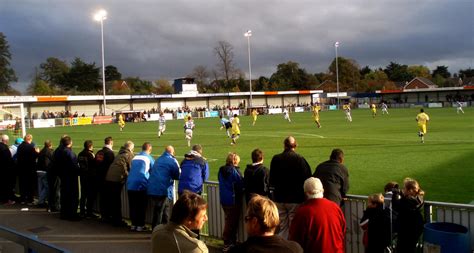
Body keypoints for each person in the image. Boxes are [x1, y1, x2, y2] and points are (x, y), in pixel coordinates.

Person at [269, 136, 312, 239]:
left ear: (284, 145)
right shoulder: (300, 159)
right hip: (295, 199)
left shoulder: (276, 159)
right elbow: (308, 178)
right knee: (294, 226)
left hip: (279, 198)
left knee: (283, 226)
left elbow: (271, 179)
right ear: (295, 145)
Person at [289, 177, 346, 253]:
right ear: (322, 190)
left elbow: (295, 239)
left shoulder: (302, 212)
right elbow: (343, 230)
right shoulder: (335, 207)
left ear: (306, 193)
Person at [229, 195, 303, 253]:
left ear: (254, 222)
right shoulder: (294, 249)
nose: (245, 222)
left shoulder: (237, 251)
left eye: (247, 218)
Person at [148, 145, 180, 230]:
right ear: (172, 152)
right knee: (159, 210)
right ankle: (156, 230)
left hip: (152, 187)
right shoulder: (172, 160)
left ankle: (165, 229)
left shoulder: (158, 159)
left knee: (164, 208)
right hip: (162, 188)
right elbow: (177, 175)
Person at [103, 141, 135, 226]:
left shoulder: (119, 153)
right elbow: (132, 168)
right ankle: (117, 220)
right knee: (116, 200)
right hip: (116, 179)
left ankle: (109, 217)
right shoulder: (128, 155)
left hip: (109, 177)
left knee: (111, 199)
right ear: (131, 148)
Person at [218, 152, 244, 252]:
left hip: (224, 199)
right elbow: (240, 183)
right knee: (231, 222)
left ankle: (231, 242)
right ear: (235, 161)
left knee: (230, 221)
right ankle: (227, 242)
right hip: (233, 200)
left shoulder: (221, 170)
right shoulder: (234, 171)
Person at [127, 142, 154, 231]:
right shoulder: (148, 158)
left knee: (133, 205)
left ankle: (133, 224)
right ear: (149, 149)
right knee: (141, 205)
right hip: (140, 184)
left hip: (130, 183)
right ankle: (140, 225)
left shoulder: (135, 157)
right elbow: (153, 171)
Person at [394, 178, 425, 253]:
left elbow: (396, 206)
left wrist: (395, 194)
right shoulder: (419, 198)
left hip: (407, 228)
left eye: (404, 188)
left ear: (410, 190)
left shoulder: (408, 201)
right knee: (410, 248)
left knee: (403, 249)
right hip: (415, 227)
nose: (403, 189)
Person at [54, 136, 81, 221]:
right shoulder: (69, 153)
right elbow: (74, 166)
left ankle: (64, 213)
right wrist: (79, 171)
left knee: (64, 195)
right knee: (72, 196)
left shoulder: (58, 151)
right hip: (70, 176)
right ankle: (72, 214)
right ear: (69, 143)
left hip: (63, 176)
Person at [96, 136, 115, 218]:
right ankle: (108, 215)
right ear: (111, 142)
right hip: (107, 178)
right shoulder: (110, 153)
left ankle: (103, 215)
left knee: (102, 197)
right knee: (108, 197)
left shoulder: (99, 152)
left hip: (99, 177)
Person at [17, 134, 39, 204]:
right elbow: (34, 156)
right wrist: (37, 152)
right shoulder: (30, 147)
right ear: (30, 139)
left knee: (22, 184)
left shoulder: (20, 146)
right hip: (29, 169)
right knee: (30, 185)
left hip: (21, 168)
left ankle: (23, 199)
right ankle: (30, 200)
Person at [77, 140, 98, 218]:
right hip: (90, 177)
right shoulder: (90, 154)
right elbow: (94, 165)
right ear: (90, 146)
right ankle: (89, 212)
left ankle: (82, 211)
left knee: (83, 194)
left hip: (82, 176)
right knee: (90, 195)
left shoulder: (80, 154)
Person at [36, 140, 54, 208]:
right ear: (50, 145)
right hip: (44, 171)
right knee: (47, 188)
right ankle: (41, 201)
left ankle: (41, 201)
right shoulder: (49, 151)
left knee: (40, 187)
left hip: (38, 171)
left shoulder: (41, 151)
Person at [0, 134, 14, 204]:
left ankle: (3, 199)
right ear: (6, 140)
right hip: (5, 169)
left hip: (2, 169)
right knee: (7, 185)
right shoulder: (5, 148)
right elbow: (8, 159)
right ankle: (6, 200)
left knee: (2, 185)